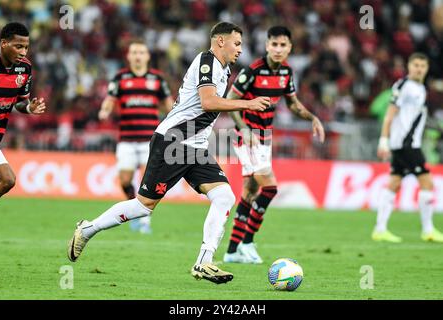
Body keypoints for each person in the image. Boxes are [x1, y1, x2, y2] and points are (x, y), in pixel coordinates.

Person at [67, 22, 271, 284]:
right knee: (144, 206)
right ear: (220, 41)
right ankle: (87, 229)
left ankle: (204, 262)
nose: (240, 49)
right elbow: (208, 102)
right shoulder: (206, 62)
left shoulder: (225, 68)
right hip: (173, 140)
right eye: (237, 43)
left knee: (224, 196)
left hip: (195, 146)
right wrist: (248, 104)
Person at [223, 26, 325, 264]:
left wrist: (313, 118)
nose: (278, 49)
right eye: (274, 44)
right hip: (247, 136)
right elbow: (231, 101)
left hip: (264, 137)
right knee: (270, 188)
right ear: (267, 45)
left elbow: (293, 104)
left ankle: (232, 252)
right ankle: (248, 242)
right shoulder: (253, 71)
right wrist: (245, 129)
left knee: (250, 192)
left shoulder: (287, 73)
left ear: (289, 48)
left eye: (283, 45)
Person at [98, 40, 173, 234]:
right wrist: (104, 110)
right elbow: (110, 99)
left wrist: (175, 119)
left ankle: (145, 220)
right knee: (125, 180)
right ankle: (134, 210)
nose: (138, 56)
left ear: (147, 56)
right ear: (129, 56)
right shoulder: (120, 77)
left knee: (148, 182)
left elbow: (168, 103)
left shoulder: (157, 78)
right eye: (134, 52)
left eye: (141, 52)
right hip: (127, 139)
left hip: (151, 139)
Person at [373, 52, 443, 243]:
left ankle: (379, 230)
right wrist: (383, 141)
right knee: (427, 183)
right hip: (406, 144)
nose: (419, 68)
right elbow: (389, 115)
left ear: (427, 69)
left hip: (405, 144)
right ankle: (428, 230)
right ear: (409, 66)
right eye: (416, 65)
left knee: (394, 183)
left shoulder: (420, 88)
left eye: (422, 65)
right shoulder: (403, 86)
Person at [0, 22, 46, 203]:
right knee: (6, 178)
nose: (23, 52)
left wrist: (29, 108)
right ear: (4, 43)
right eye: (18, 46)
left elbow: (20, 102)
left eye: (26, 47)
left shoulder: (25, 68)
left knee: (6, 181)